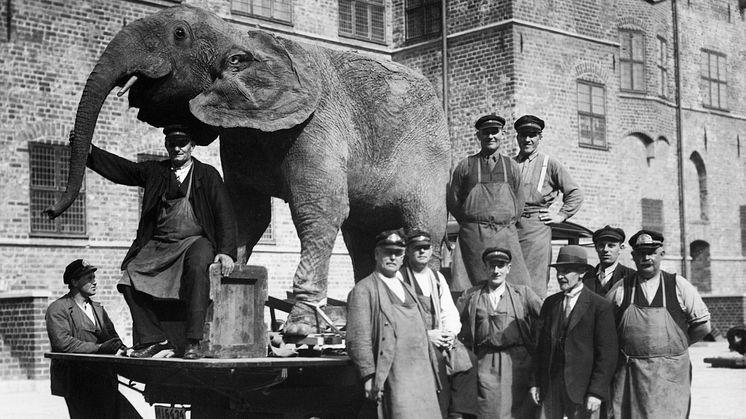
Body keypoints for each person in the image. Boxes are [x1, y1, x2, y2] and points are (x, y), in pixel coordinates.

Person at [85, 125, 237, 359]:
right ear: (166, 146)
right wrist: (90, 152)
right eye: (172, 144)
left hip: (195, 241)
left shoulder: (207, 175)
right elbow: (124, 170)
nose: (177, 148)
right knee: (129, 277)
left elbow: (224, 212)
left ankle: (193, 341)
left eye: (182, 143)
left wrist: (226, 251)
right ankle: (155, 338)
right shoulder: (156, 171)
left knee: (198, 269)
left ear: (192, 146)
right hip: (161, 243)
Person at [606, 230, 712, 419]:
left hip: (670, 375)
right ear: (633, 257)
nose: (646, 258)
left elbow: (703, 326)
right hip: (631, 374)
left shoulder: (678, 285)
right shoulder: (621, 288)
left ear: (661, 253)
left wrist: (677, 346)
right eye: (640, 253)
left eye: (652, 252)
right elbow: (604, 329)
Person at [346, 230, 441, 419]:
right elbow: (358, 338)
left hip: (422, 373)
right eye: (387, 252)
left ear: (403, 256)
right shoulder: (364, 290)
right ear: (376, 254)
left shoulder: (406, 287)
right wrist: (368, 375)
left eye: (397, 253)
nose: (392, 257)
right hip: (394, 373)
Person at [530, 245, 618, 419]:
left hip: (583, 390)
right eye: (559, 271)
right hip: (552, 387)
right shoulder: (551, 303)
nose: (561, 276)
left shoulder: (599, 306)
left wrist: (596, 392)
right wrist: (535, 383)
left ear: (582, 273)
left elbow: (607, 354)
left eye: (567, 271)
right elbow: (539, 347)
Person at [456, 247, 542, 419]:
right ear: (485, 268)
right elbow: (453, 323)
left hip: (518, 362)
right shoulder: (471, 296)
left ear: (508, 268)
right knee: (489, 410)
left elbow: (547, 317)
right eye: (492, 266)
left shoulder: (522, 294)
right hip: (485, 362)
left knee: (518, 412)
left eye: (501, 266)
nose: (496, 271)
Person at [448, 114, 528, 291]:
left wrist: (503, 222)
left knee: (514, 288)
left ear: (502, 134)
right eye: (486, 132)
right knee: (469, 290)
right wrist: (473, 223)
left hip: (505, 236)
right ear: (478, 136)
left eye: (495, 132)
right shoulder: (466, 166)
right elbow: (453, 201)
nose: (490, 136)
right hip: (473, 239)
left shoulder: (512, 166)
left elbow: (519, 202)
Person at [45, 259, 134, 419]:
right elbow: (62, 343)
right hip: (77, 381)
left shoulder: (98, 309)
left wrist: (124, 349)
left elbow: (113, 338)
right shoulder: (58, 308)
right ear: (74, 281)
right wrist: (100, 348)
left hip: (105, 378)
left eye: (94, 277)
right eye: (89, 278)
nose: (95, 282)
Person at [513, 115, 583, 297]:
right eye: (523, 135)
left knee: (534, 283)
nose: (527, 140)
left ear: (539, 137)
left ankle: (534, 323)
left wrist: (560, 215)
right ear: (517, 137)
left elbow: (575, 193)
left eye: (532, 135)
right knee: (510, 277)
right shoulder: (510, 164)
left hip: (536, 229)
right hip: (511, 227)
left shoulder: (549, 164)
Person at [399, 230, 465, 417]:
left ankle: (457, 412)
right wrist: (427, 336)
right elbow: (396, 321)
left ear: (431, 251)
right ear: (408, 251)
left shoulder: (437, 278)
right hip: (413, 341)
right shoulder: (398, 279)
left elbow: (449, 312)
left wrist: (450, 334)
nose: (421, 252)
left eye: (425, 248)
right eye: (416, 248)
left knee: (468, 362)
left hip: (440, 338)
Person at [584, 226, 636, 296]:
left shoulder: (631, 276)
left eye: (611, 246)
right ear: (596, 248)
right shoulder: (587, 276)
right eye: (601, 245)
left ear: (621, 248)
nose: (605, 250)